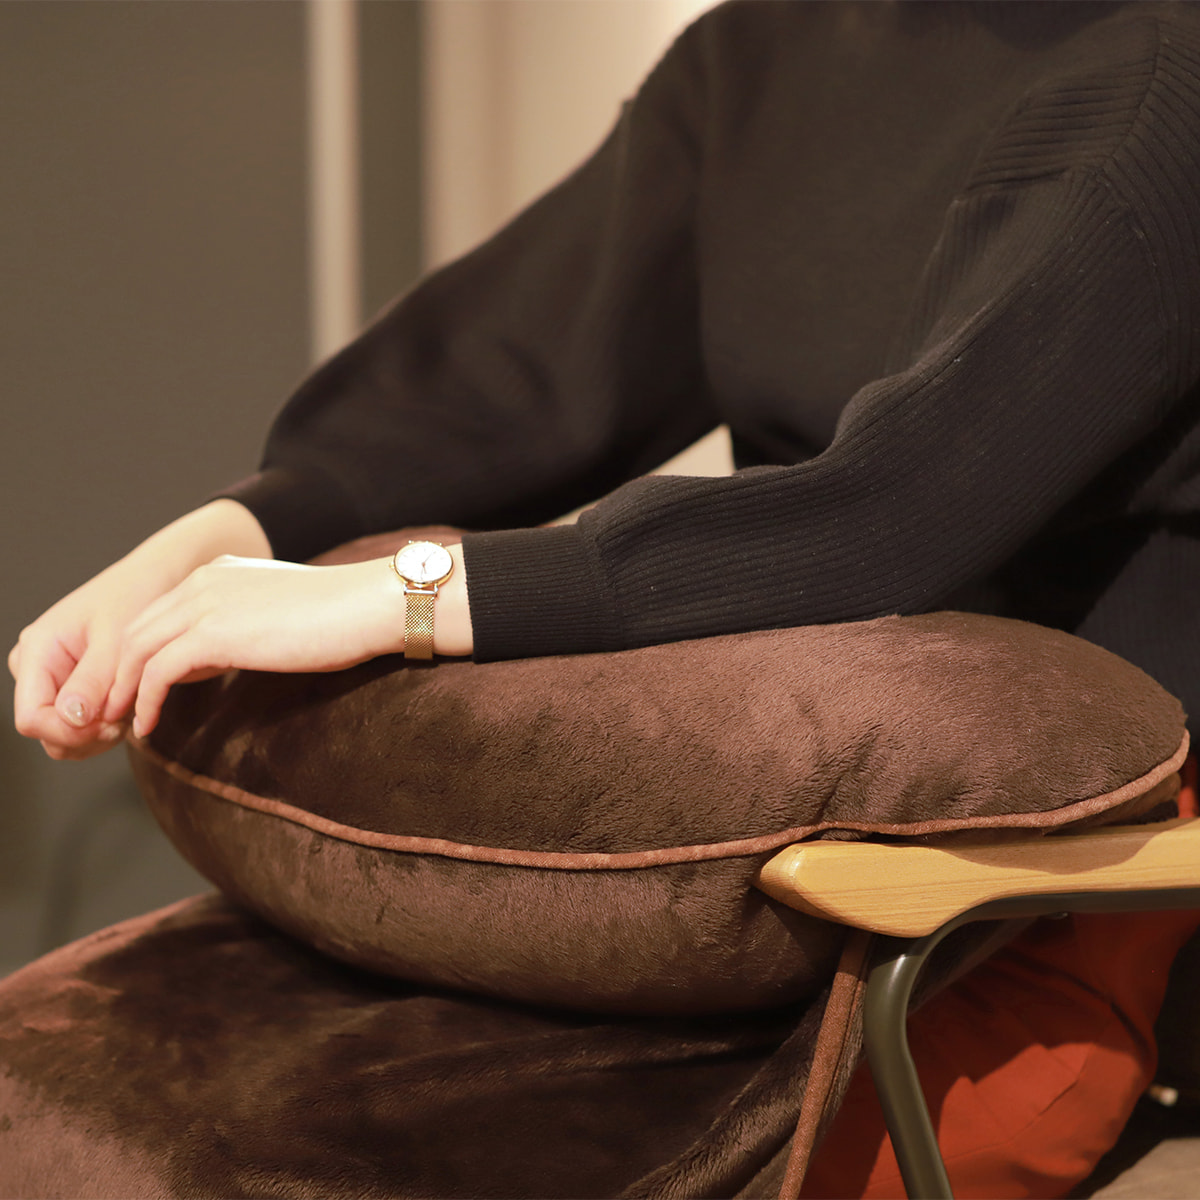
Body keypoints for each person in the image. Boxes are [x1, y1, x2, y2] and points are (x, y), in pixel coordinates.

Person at [8, 3, 1200, 1191]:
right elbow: (507, 367)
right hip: (777, 842)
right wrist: (210, 546)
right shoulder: (766, 50)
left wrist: (410, 595)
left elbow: (896, 511)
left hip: (1035, 897)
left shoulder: (1158, 80)